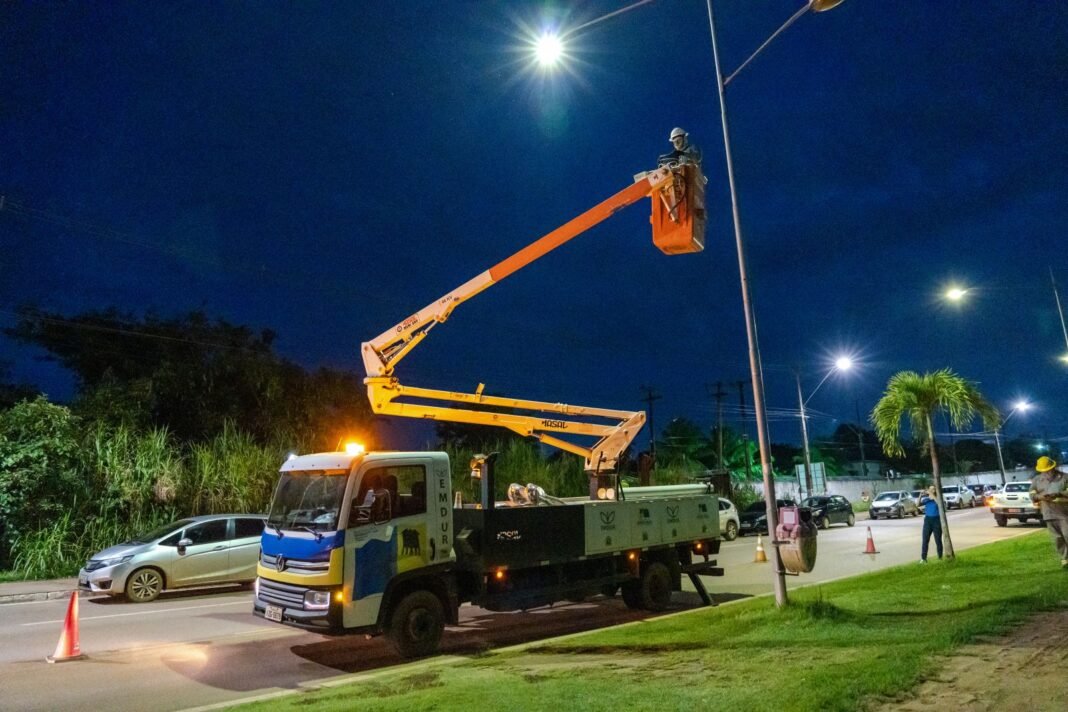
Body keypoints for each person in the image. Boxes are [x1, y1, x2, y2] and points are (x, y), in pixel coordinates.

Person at [1029, 456, 1068, 569]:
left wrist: (1059, 494)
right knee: (1057, 538)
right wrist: (1039, 497)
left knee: (1067, 535)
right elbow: (1031, 493)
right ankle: (1065, 558)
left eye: (1048, 469)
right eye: (1044, 471)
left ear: (1053, 467)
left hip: (1064, 512)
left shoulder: (1064, 477)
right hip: (1048, 512)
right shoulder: (1037, 480)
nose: (1046, 472)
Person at [917, 485, 943, 562]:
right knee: (925, 540)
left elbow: (938, 503)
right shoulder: (926, 500)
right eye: (930, 489)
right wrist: (920, 495)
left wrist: (931, 494)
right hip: (927, 521)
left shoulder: (938, 498)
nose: (931, 490)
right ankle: (923, 558)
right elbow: (917, 505)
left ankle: (940, 557)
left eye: (933, 489)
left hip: (936, 520)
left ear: (935, 491)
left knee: (938, 540)